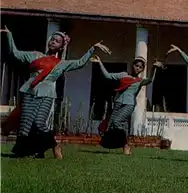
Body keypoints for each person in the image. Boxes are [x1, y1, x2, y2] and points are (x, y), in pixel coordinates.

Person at [0, 26, 111, 159]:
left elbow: (80, 63)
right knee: (25, 124)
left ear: (61, 47)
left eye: (57, 41)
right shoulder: (35, 55)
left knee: (39, 122)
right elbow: (15, 53)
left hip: (46, 94)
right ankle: (29, 151)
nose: (53, 41)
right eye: (52, 39)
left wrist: (93, 48)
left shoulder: (62, 64)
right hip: (29, 91)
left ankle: (53, 145)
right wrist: (9, 35)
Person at [92, 55, 163, 155]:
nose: (138, 68)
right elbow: (107, 76)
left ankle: (126, 144)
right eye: (136, 65)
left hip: (129, 104)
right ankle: (117, 144)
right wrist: (99, 62)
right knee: (111, 125)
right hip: (118, 103)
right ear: (132, 65)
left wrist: (154, 68)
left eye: (140, 67)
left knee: (117, 122)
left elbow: (150, 80)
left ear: (142, 69)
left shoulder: (140, 81)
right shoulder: (123, 75)